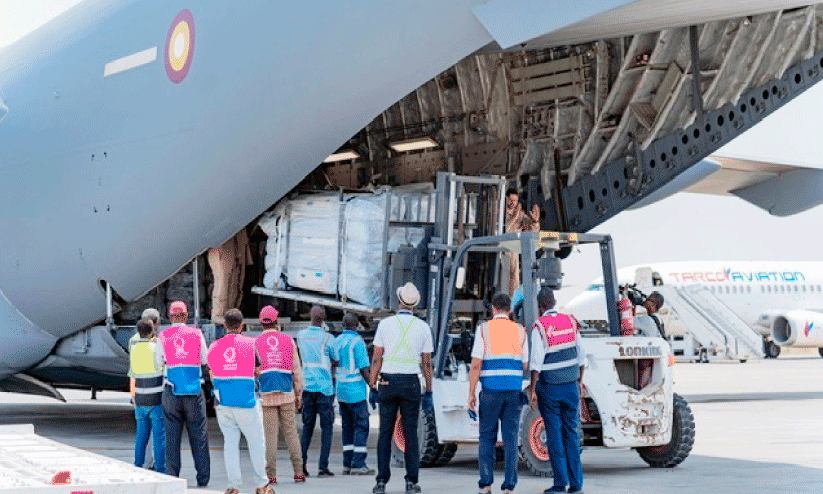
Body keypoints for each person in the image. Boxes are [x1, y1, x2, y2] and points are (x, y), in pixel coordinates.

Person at [369, 282, 434, 494]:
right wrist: (429, 390)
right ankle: (411, 482)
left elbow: (377, 358)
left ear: (399, 301)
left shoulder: (385, 325)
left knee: (385, 433)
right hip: (411, 384)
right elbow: (426, 364)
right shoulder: (424, 328)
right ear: (415, 305)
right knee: (410, 434)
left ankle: (381, 482)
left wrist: (372, 384)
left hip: (388, 382)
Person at [468, 293, 528, 494]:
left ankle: (486, 484)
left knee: (487, 437)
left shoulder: (484, 329)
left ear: (493, 308)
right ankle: (509, 487)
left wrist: (471, 393)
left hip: (490, 392)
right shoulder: (520, 331)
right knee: (511, 439)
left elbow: (476, 363)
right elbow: (525, 363)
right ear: (510, 310)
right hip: (513, 391)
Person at [208, 308, 273, 494]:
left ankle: (233, 486)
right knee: (256, 443)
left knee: (230, 444)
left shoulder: (214, 346)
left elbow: (211, 373)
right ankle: (261, 484)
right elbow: (259, 369)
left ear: (224, 326)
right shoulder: (251, 344)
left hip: (224, 402)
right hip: (246, 401)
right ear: (242, 325)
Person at [528, 288, 586, 494]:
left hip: (550, 389)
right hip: (571, 386)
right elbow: (582, 356)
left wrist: (532, 388)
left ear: (540, 305)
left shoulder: (539, 327)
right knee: (571, 433)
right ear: (553, 302)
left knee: (554, 434)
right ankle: (576, 483)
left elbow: (535, 363)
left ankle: (560, 484)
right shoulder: (571, 321)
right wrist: (580, 381)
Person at [155, 301, 210, 487]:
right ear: (186, 316)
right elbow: (204, 359)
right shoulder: (196, 334)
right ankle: (203, 479)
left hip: (172, 391)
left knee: (172, 438)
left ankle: (173, 478)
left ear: (170, 317)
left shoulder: (163, 336)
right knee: (199, 437)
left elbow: (159, 362)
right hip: (194, 392)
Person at [256, 305, 306, 484]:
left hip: (267, 394)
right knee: (291, 434)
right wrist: (299, 393)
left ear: (261, 323)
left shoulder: (256, 343)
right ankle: (299, 472)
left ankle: (271, 475)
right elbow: (296, 369)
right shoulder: (288, 340)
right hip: (287, 393)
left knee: (270, 436)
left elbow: (255, 370)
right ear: (277, 321)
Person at [296, 305, 336, 477]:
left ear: (310, 317)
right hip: (325, 389)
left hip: (308, 387)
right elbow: (335, 359)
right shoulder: (329, 338)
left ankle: (302, 465)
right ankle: (323, 467)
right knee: (327, 429)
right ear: (324, 318)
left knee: (307, 427)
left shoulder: (301, 336)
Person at [333, 313, 374, 475]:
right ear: (357, 325)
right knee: (361, 426)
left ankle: (347, 463)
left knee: (347, 427)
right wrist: (373, 385)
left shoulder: (336, 341)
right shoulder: (358, 342)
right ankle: (359, 463)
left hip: (341, 391)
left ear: (343, 324)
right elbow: (364, 368)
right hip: (355, 392)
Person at [129, 318, 166, 474]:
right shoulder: (156, 347)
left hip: (140, 399)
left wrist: (133, 398)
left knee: (141, 436)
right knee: (158, 438)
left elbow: (132, 376)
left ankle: (138, 465)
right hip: (156, 399)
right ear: (153, 331)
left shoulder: (134, 349)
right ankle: (161, 469)